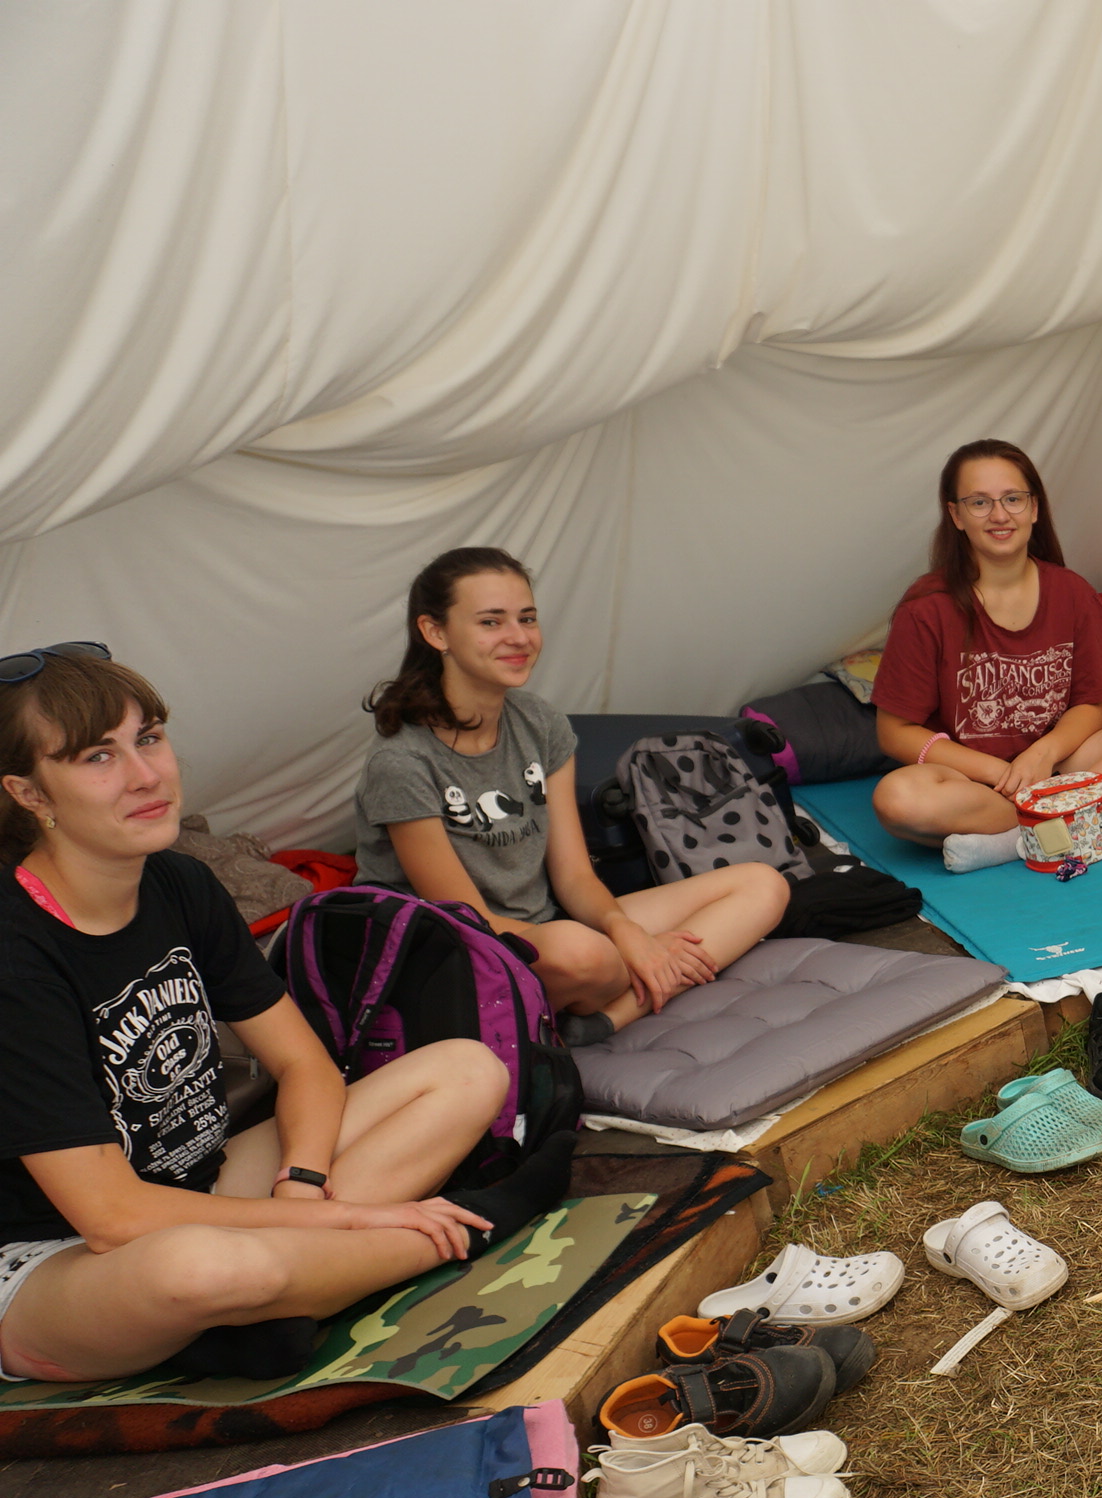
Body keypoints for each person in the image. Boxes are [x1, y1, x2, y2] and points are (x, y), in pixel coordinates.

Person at [0, 642, 573, 1385]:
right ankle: (470, 1226)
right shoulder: (15, 955)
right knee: (201, 1268)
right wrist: (341, 1215)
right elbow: (112, 1217)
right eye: (97, 757)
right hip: (60, 1259)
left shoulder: (179, 883)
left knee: (468, 1071)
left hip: (201, 1187)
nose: (146, 775)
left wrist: (302, 1182)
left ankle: (270, 1304)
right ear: (29, 793)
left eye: (149, 738)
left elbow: (304, 1063)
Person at [357, 549, 789, 1045]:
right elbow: (468, 921)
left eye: (527, 618)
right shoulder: (402, 761)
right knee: (581, 953)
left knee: (762, 884)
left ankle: (605, 1018)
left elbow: (574, 875)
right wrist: (632, 947)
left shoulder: (541, 723)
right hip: (459, 953)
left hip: (552, 929)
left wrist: (624, 931)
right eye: (491, 622)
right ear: (435, 632)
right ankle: (625, 984)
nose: (519, 637)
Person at [867, 440, 1102, 869]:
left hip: (1058, 766)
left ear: (1034, 508)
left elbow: (1091, 704)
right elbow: (894, 732)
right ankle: (1091, 816)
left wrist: (1043, 754)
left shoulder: (1072, 591)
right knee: (897, 799)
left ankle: (1009, 842)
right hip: (974, 781)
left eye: (1013, 499)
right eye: (979, 502)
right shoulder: (926, 607)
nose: (999, 515)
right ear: (956, 516)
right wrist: (996, 772)